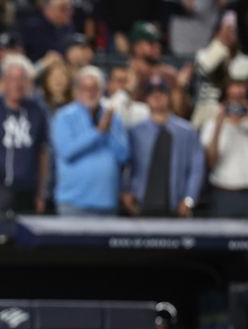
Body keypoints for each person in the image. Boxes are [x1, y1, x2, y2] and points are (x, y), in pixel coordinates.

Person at [0, 55, 49, 216]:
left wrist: (41, 193)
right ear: (3, 81)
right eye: (12, 79)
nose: (17, 84)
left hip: (27, 190)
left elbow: (42, 154)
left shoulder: (37, 111)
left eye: (21, 79)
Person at [52, 66, 130, 216]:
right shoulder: (64, 117)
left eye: (95, 88)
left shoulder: (113, 118)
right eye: (85, 88)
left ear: (102, 91)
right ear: (76, 91)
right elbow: (67, 151)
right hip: (73, 203)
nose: (90, 93)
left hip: (107, 203)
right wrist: (98, 132)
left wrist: (109, 130)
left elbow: (123, 155)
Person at [123, 77, 204, 218]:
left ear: (169, 96)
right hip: (141, 203)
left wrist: (189, 199)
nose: (156, 95)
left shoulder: (187, 131)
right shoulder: (135, 131)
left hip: (176, 204)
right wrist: (125, 192)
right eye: (151, 92)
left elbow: (196, 168)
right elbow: (126, 164)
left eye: (161, 91)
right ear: (145, 98)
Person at [200, 78, 248, 218]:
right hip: (223, 193)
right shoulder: (211, 125)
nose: (236, 103)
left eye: (241, 98)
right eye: (232, 98)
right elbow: (210, 162)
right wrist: (219, 126)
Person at [19, 0, 74, 65]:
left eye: (70, 8)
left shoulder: (69, 27)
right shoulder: (32, 28)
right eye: (63, 9)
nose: (69, 12)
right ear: (48, 10)